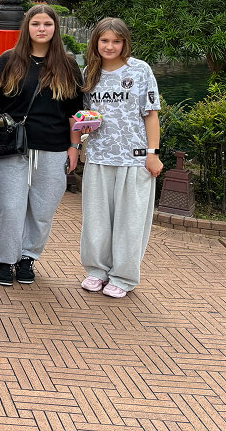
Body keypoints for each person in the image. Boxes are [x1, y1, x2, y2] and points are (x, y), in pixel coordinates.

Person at [0, 4, 83, 287]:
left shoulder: (68, 65)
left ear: (55, 28)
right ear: (27, 27)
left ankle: (27, 257)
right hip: (10, 146)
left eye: (47, 24)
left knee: (42, 209)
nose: (41, 29)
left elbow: (75, 112)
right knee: (9, 206)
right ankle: (5, 259)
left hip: (54, 146)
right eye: (36, 23)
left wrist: (74, 147)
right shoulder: (8, 60)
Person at [79, 18, 163, 298]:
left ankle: (123, 277)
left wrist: (153, 154)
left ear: (125, 43)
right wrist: (83, 131)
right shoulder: (89, 72)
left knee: (130, 222)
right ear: (96, 42)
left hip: (134, 158)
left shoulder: (140, 70)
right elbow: (84, 115)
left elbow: (151, 114)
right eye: (104, 40)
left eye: (116, 41)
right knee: (96, 220)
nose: (110, 46)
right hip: (99, 156)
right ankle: (96, 271)